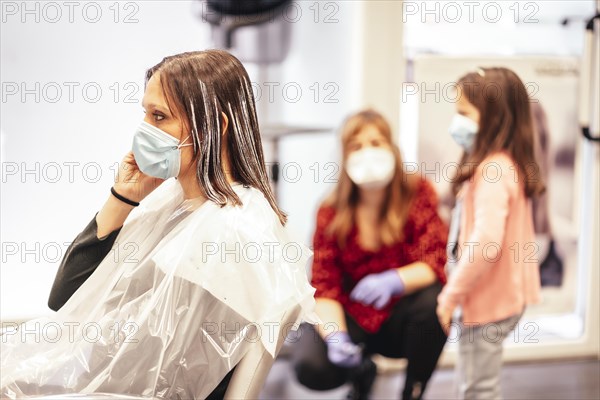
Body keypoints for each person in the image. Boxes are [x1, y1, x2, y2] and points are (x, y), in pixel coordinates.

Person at [1, 50, 317, 399]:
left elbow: (159, 374)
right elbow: (66, 299)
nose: (144, 131)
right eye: (145, 114)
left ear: (216, 126)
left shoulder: (229, 231)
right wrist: (123, 197)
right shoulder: (173, 207)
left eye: (159, 116)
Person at [293, 109, 448, 400]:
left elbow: (434, 260)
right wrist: (336, 337)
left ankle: (413, 391)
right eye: (356, 146)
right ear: (345, 156)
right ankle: (361, 369)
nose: (368, 153)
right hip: (351, 316)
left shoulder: (419, 192)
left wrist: (394, 280)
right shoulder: (330, 211)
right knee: (311, 367)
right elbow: (324, 286)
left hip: (401, 318)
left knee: (436, 300)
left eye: (376, 142)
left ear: (392, 147)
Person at [437, 67, 544, 400]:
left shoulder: (494, 171)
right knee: (474, 383)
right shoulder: (504, 163)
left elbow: (485, 244)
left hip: (487, 300)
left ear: (495, 117)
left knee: (478, 389)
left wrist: (450, 294)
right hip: (499, 297)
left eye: (463, 113)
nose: (457, 122)